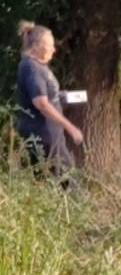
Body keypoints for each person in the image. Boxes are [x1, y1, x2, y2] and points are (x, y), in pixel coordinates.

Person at [16, 21, 82, 174]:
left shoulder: (38, 67)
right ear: (37, 46)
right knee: (68, 184)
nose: (54, 49)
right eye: (50, 45)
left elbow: (45, 96)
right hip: (44, 135)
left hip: (49, 135)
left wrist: (60, 96)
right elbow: (41, 103)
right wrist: (70, 127)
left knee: (49, 181)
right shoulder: (31, 68)